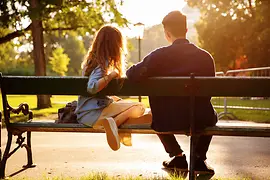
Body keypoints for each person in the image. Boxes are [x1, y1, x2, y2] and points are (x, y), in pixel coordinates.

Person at [126, 11, 217, 174]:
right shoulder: (205, 57)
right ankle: (198, 158)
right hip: (199, 117)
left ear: (167, 34)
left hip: (165, 119)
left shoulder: (157, 56)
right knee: (211, 115)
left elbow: (132, 74)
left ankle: (177, 155)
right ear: (186, 30)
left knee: (156, 114)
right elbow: (208, 94)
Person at [75, 25, 147, 151]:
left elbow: (96, 93)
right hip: (97, 115)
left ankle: (116, 127)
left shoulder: (89, 62)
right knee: (139, 107)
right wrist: (111, 76)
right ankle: (115, 124)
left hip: (85, 116)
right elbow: (92, 88)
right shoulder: (103, 64)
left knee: (124, 105)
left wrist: (115, 99)